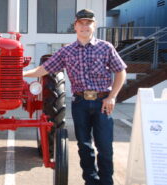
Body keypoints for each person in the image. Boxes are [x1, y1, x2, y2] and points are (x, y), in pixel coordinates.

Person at [23, 9, 127, 185]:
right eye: (81, 23)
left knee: (105, 147)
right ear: (75, 26)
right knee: (84, 146)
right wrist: (22, 73)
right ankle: (90, 181)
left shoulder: (105, 47)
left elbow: (121, 71)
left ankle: (106, 181)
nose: (85, 26)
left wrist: (112, 97)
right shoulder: (67, 51)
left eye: (88, 23)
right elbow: (43, 69)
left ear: (94, 26)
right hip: (80, 103)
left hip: (103, 102)